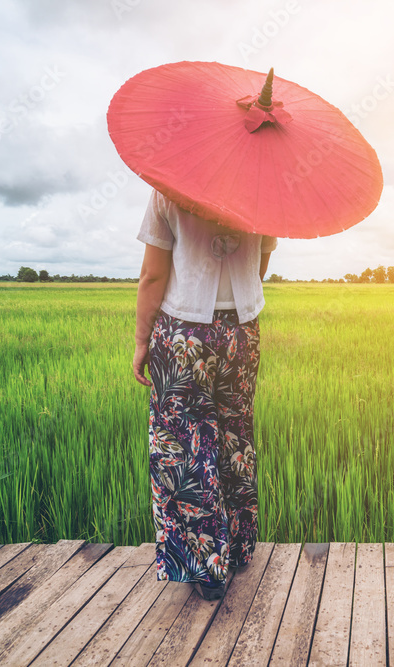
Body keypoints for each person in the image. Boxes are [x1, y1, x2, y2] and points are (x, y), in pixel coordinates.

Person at [132, 188, 277, 601]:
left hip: (182, 333)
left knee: (185, 446)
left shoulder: (168, 186)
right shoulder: (264, 187)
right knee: (235, 436)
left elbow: (153, 275)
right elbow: (261, 261)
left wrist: (143, 340)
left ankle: (207, 568)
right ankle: (238, 547)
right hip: (242, 331)